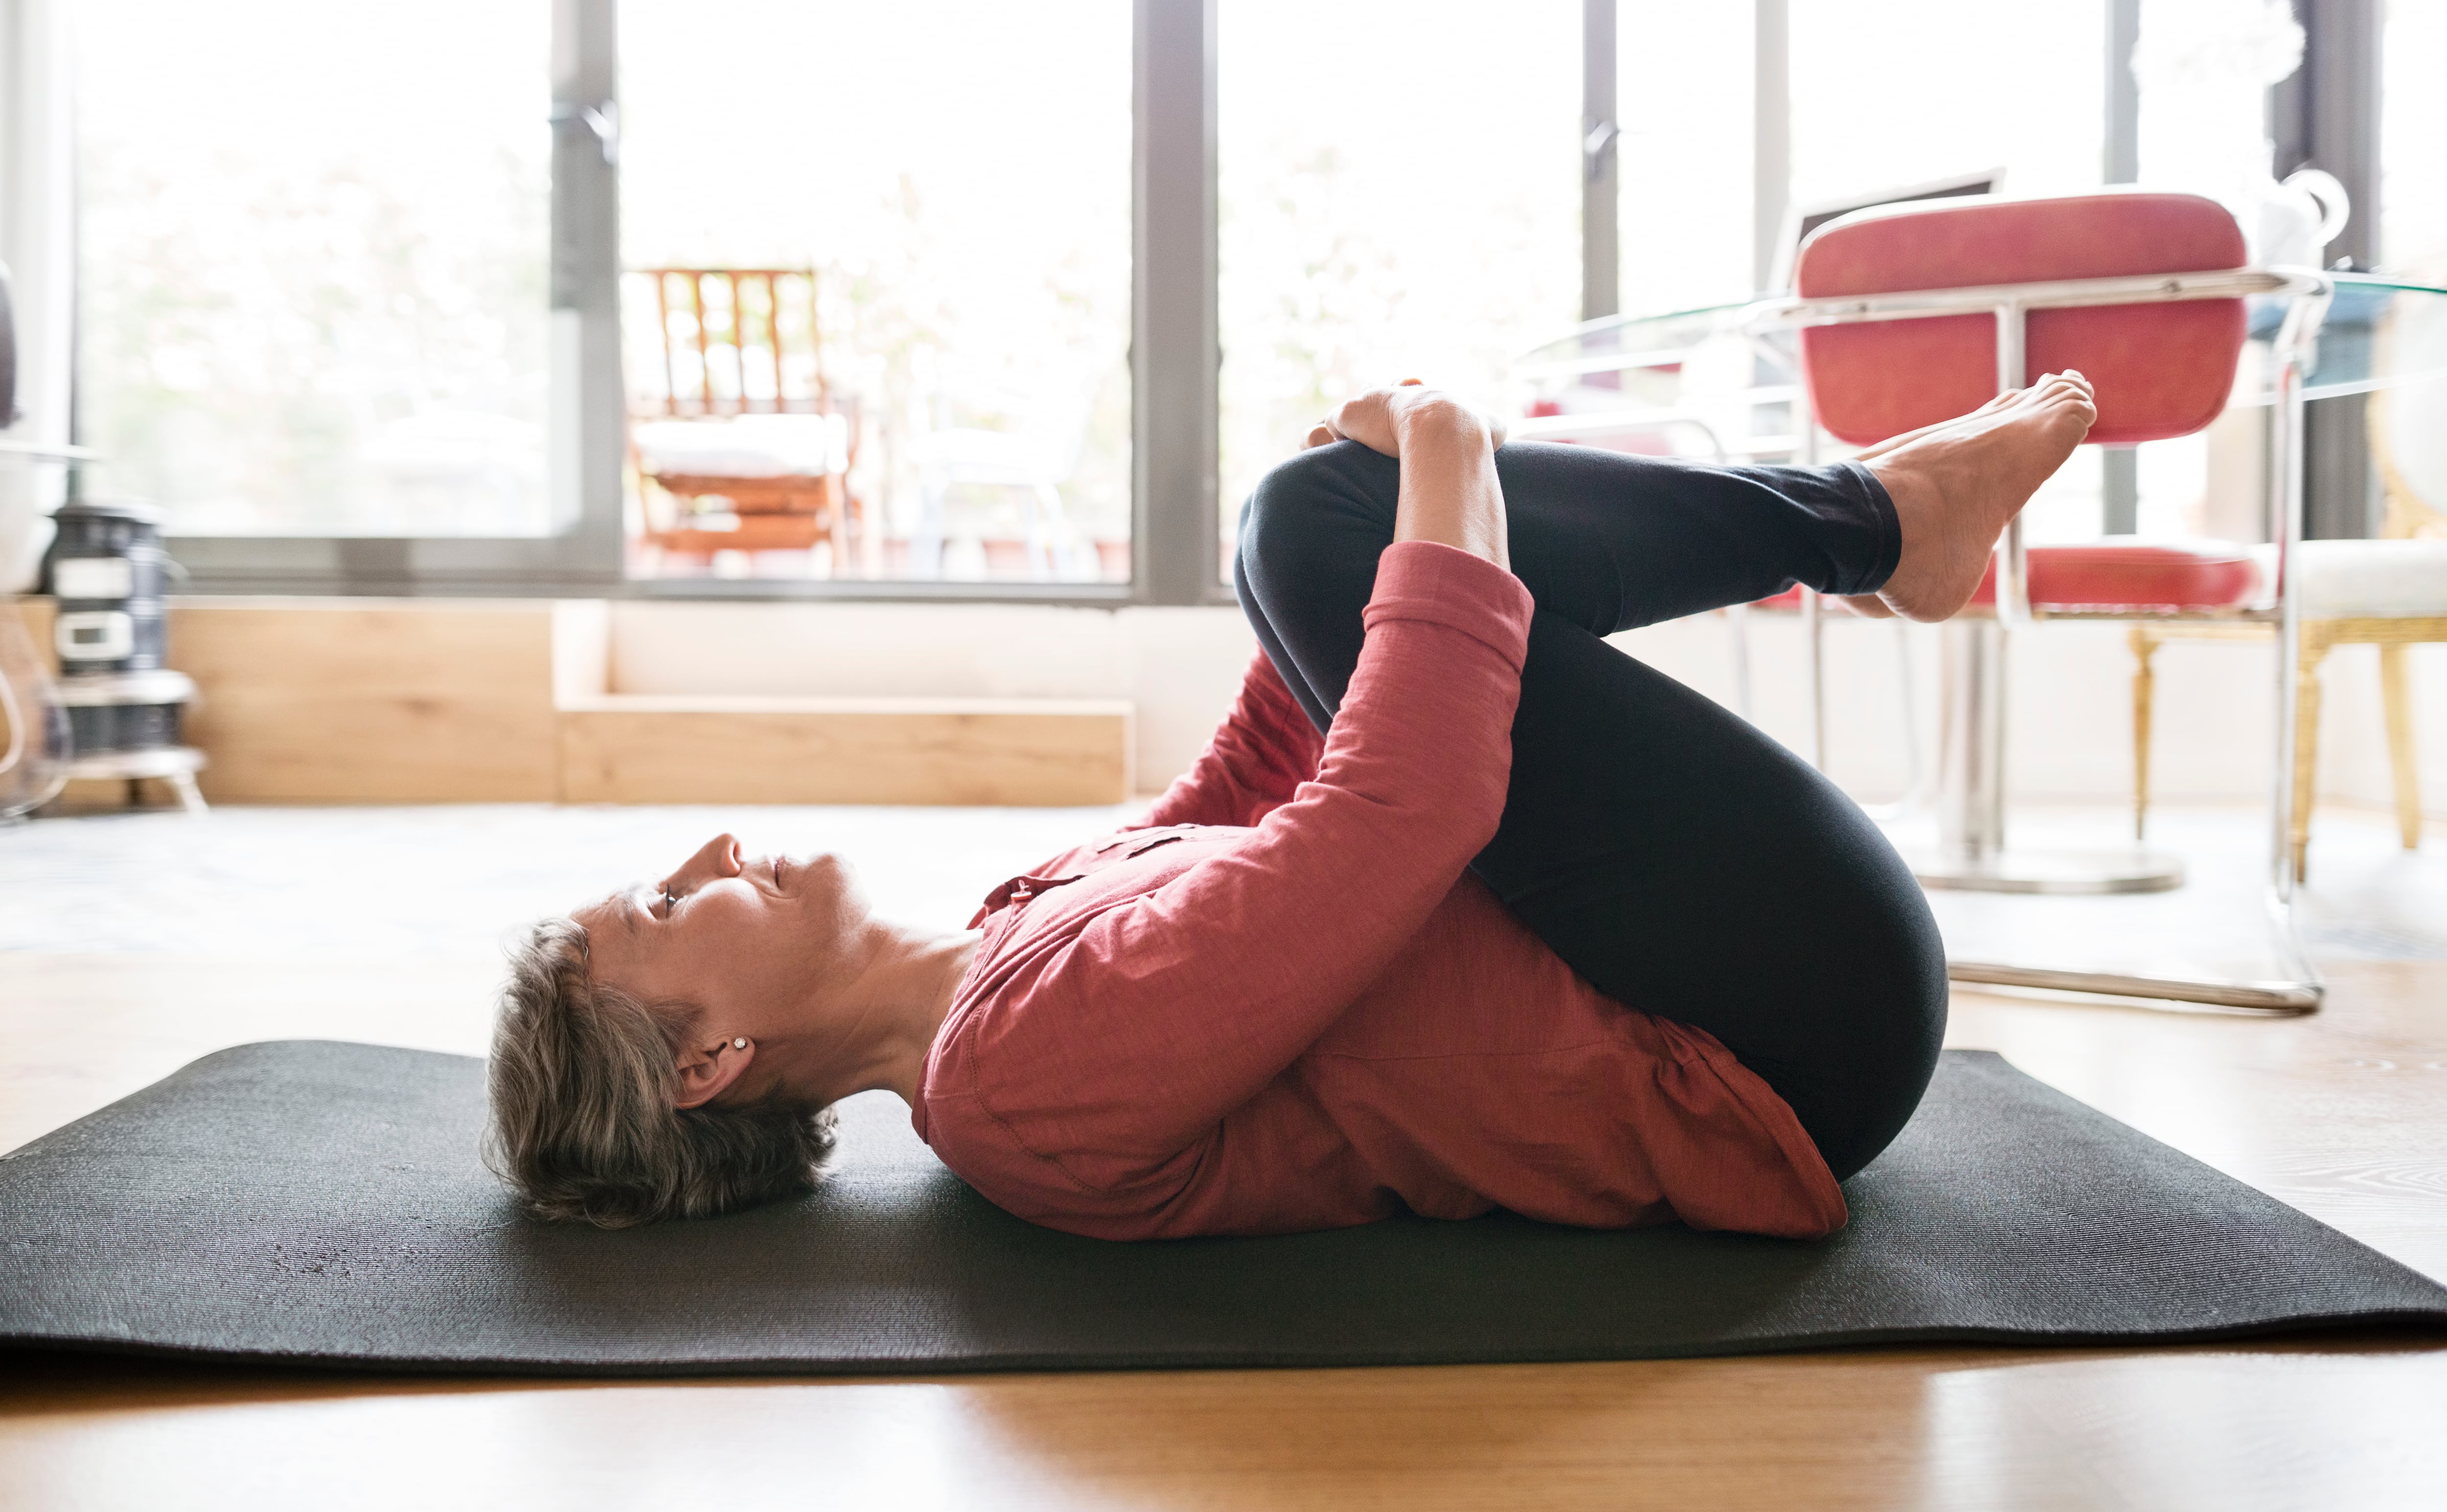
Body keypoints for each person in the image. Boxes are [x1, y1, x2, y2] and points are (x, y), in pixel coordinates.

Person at [488, 370, 2099, 1238]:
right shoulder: (1024, 1085)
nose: (703, 852)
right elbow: (1402, 812)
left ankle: (1882, 522)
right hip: (1768, 1038)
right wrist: (1442, 461)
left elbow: (1273, 783)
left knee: (1315, 535)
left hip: (1710, 967)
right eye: (657, 906)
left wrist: (1324, 583)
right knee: (1316, 526)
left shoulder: (1009, 942)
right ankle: (1875, 522)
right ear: (709, 1065)